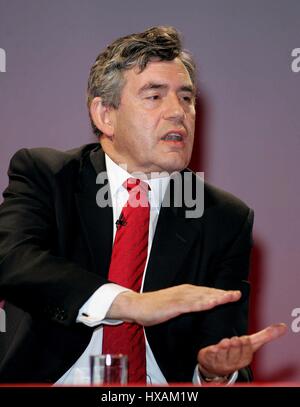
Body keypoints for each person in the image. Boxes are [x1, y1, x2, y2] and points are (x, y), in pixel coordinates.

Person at [0, 26, 286, 385]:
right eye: (154, 96)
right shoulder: (48, 175)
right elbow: (11, 260)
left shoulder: (225, 218)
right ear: (105, 114)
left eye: (186, 98)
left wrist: (214, 372)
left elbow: (223, 348)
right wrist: (131, 304)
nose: (178, 113)